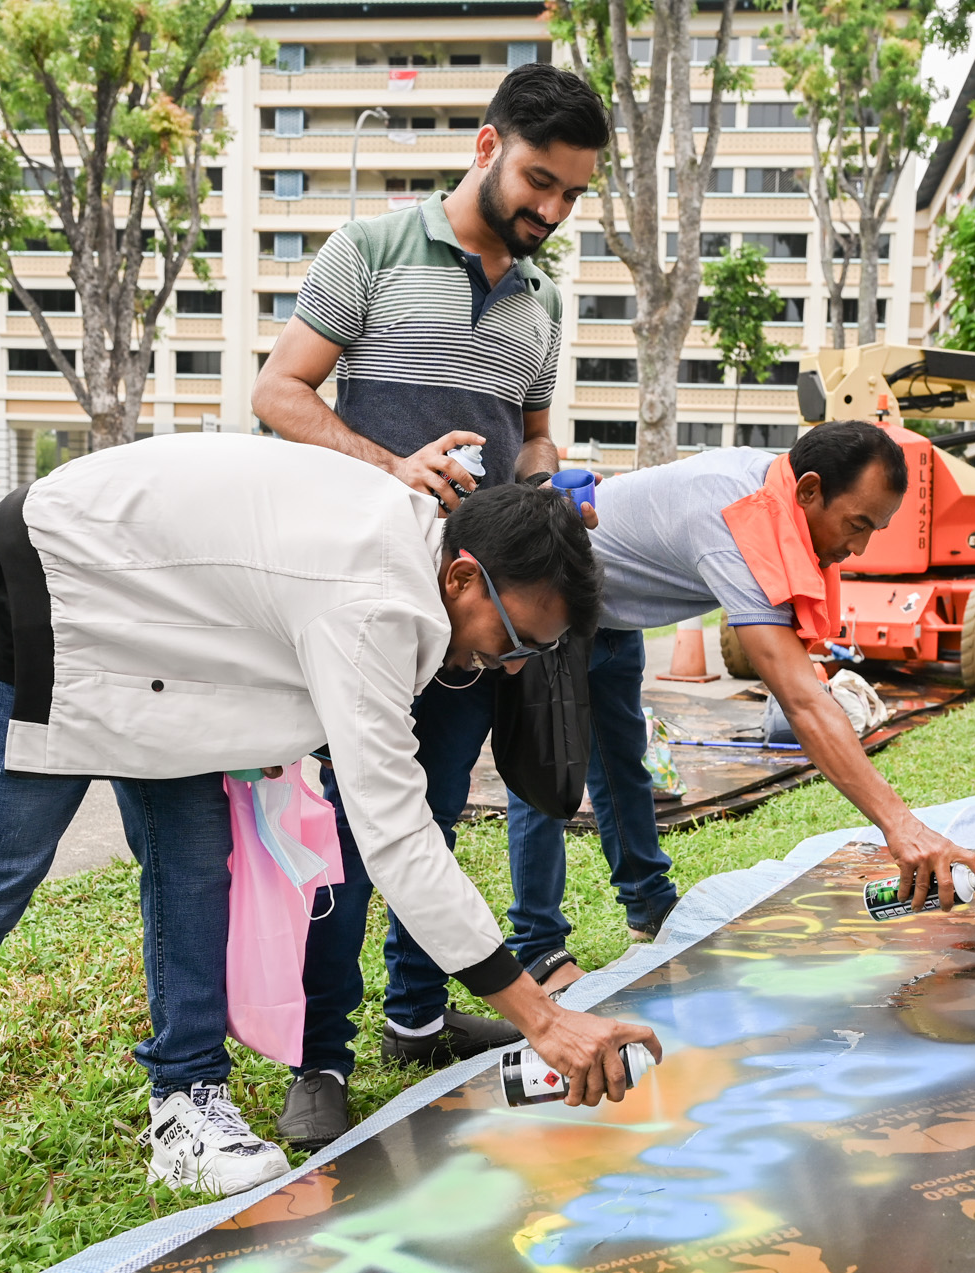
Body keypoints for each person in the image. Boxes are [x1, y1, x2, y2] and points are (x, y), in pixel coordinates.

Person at [0, 435, 659, 1273]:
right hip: (40, 606)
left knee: (197, 874)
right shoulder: (377, 600)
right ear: (462, 577)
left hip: (161, 643)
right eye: (515, 639)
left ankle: (186, 1101)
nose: (510, 666)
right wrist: (543, 1019)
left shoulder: (413, 560)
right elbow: (395, 830)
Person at [251, 62, 650, 1152]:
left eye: (571, 194)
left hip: (478, 622)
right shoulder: (372, 249)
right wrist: (393, 468)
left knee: (429, 821)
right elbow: (278, 393)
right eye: (538, 181)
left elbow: (532, 433)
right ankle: (320, 1057)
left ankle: (417, 1017)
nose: (551, 210)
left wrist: (548, 483)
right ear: (486, 146)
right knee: (352, 836)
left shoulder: (543, 298)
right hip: (370, 604)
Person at [509, 421, 975, 942]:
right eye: (857, 525)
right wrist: (902, 826)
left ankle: (651, 907)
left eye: (875, 529)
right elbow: (802, 702)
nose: (859, 548)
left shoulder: (774, 495)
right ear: (809, 490)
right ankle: (538, 945)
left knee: (621, 763)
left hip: (612, 615)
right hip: (548, 604)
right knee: (545, 776)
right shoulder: (734, 524)